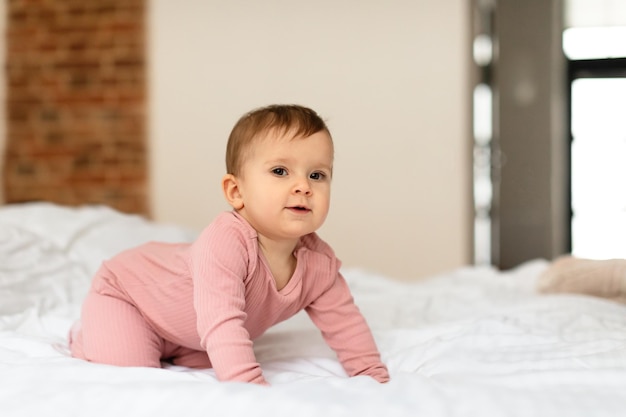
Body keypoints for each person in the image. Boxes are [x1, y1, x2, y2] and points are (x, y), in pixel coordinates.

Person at [68, 104, 390, 386]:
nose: (303, 186)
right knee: (131, 369)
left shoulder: (318, 262)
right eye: (280, 171)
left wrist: (372, 376)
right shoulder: (227, 241)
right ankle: (86, 336)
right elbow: (221, 322)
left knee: (209, 353)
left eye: (317, 175)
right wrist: (249, 388)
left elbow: (345, 323)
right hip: (128, 296)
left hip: (188, 334)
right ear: (236, 192)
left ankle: (171, 346)